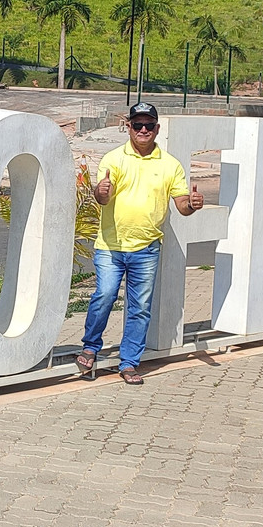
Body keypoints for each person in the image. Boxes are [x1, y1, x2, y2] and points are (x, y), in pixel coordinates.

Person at [76, 101, 203, 384]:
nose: (143, 129)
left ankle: (129, 362)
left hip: (147, 249)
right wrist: (100, 191)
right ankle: (89, 347)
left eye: (148, 125)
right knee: (105, 295)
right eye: (137, 124)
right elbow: (103, 197)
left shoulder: (170, 165)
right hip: (111, 246)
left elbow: (181, 205)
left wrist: (193, 204)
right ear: (129, 128)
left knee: (140, 308)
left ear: (157, 129)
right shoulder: (113, 159)